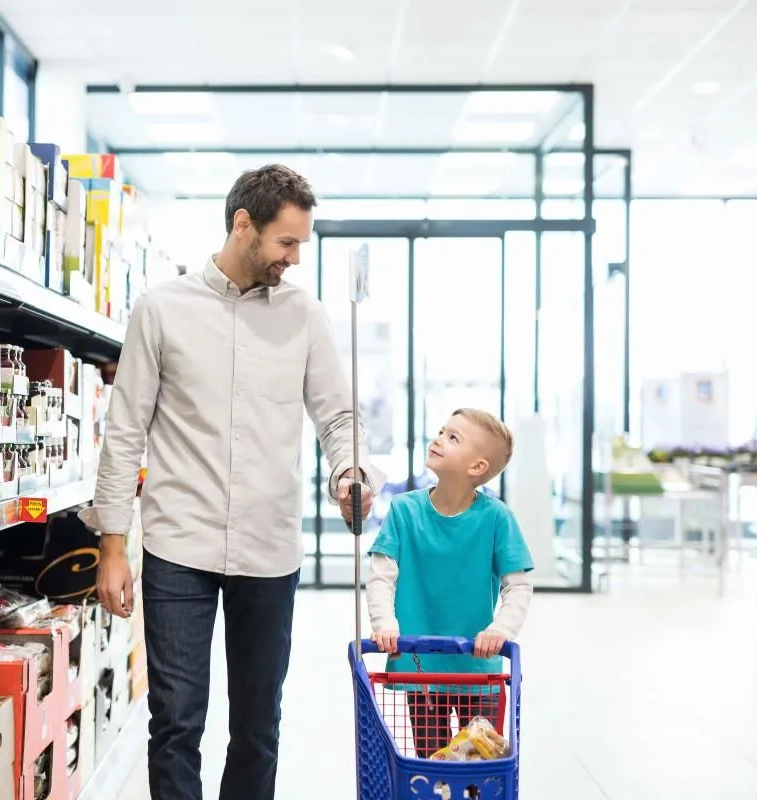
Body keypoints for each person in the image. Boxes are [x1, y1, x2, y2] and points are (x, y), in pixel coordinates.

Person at [79, 164, 382, 800]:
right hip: (178, 548)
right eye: (286, 243)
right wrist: (111, 543)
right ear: (244, 224)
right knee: (175, 724)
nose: (295, 259)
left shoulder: (305, 315)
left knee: (257, 728)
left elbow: (338, 415)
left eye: (301, 244)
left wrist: (349, 467)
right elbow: (126, 427)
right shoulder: (161, 309)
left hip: (269, 551)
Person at [365, 408, 534, 759]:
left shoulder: (496, 518)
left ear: (477, 467)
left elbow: (517, 585)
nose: (439, 438)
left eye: (453, 438)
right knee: (434, 765)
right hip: (421, 670)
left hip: (479, 669)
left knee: (478, 767)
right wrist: (385, 624)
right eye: (442, 431)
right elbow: (381, 577)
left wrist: (500, 630)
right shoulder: (403, 511)